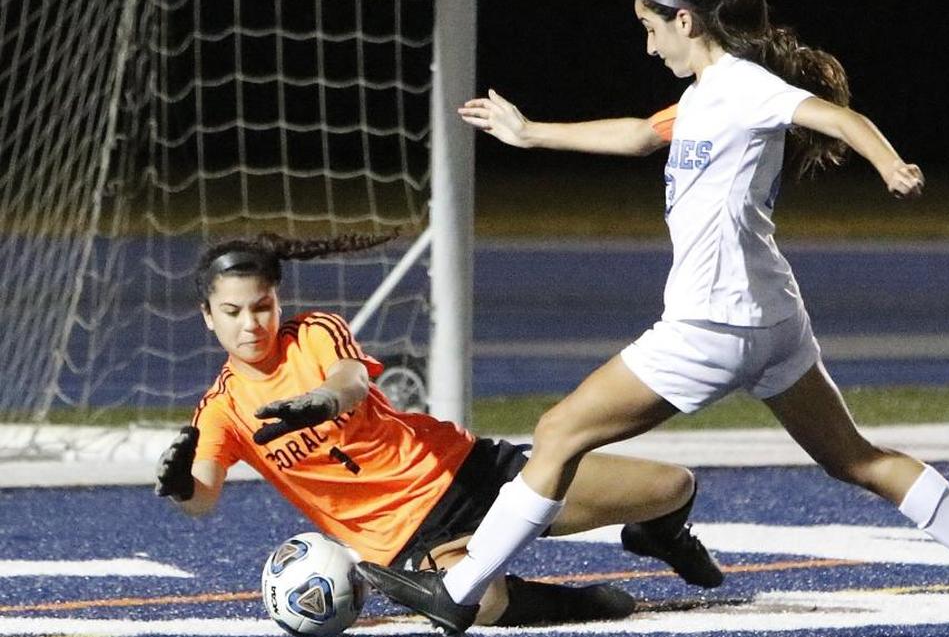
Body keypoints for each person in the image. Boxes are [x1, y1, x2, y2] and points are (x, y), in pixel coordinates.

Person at [356, 0, 949, 637]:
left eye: (649, 28)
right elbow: (637, 134)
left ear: (685, 20)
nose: (647, 45)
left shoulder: (748, 88)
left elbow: (836, 116)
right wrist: (530, 132)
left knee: (557, 432)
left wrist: (891, 164)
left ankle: (459, 588)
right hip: (773, 322)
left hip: (709, 326)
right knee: (857, 458)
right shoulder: (701, 102)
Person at [154, 232, 725, 629]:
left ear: (278, 302)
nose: (251, 323)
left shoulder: (314, 332)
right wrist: (183, 485)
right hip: (407, 541)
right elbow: (203, 497)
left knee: (671, 486)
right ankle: (567, 603)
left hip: (471, 471)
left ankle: (660, 537)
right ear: (208, 315)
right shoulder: (223, 410)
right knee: (481, 604)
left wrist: (323, 401)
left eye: (261, 306)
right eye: (232, 312)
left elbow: (350, 379)